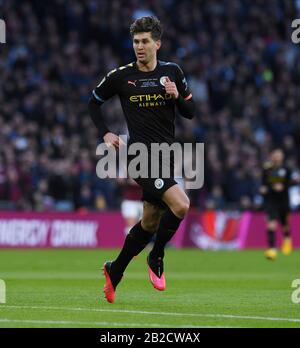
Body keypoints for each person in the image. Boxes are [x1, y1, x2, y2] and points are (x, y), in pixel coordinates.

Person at [88, 16, 195, 302]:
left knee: (149, 222)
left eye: (145, 41)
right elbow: (93, 102)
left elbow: (191, 111)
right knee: (181, 204)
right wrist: (105, 133)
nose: (139, 46)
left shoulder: (172, 71)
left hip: (166, 156)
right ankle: (156, 257)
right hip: (139, 155)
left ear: (157, 43)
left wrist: (177, 97)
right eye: (136, 41)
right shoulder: (121, 76)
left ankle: (116, 269)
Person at [260, 148, 292, 260]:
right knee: (271, 224)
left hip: (283, 200)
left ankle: (287, 239)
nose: (277, 156)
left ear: (282, 156)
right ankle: (272, 249)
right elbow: (263, 183)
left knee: (285, 224)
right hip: (271, 201)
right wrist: (264, 188)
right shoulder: (267, 169)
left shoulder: (287, 169)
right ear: (272, 155)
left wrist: (283, 187)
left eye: (279, 154)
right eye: (275, 154)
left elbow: (289, 184)